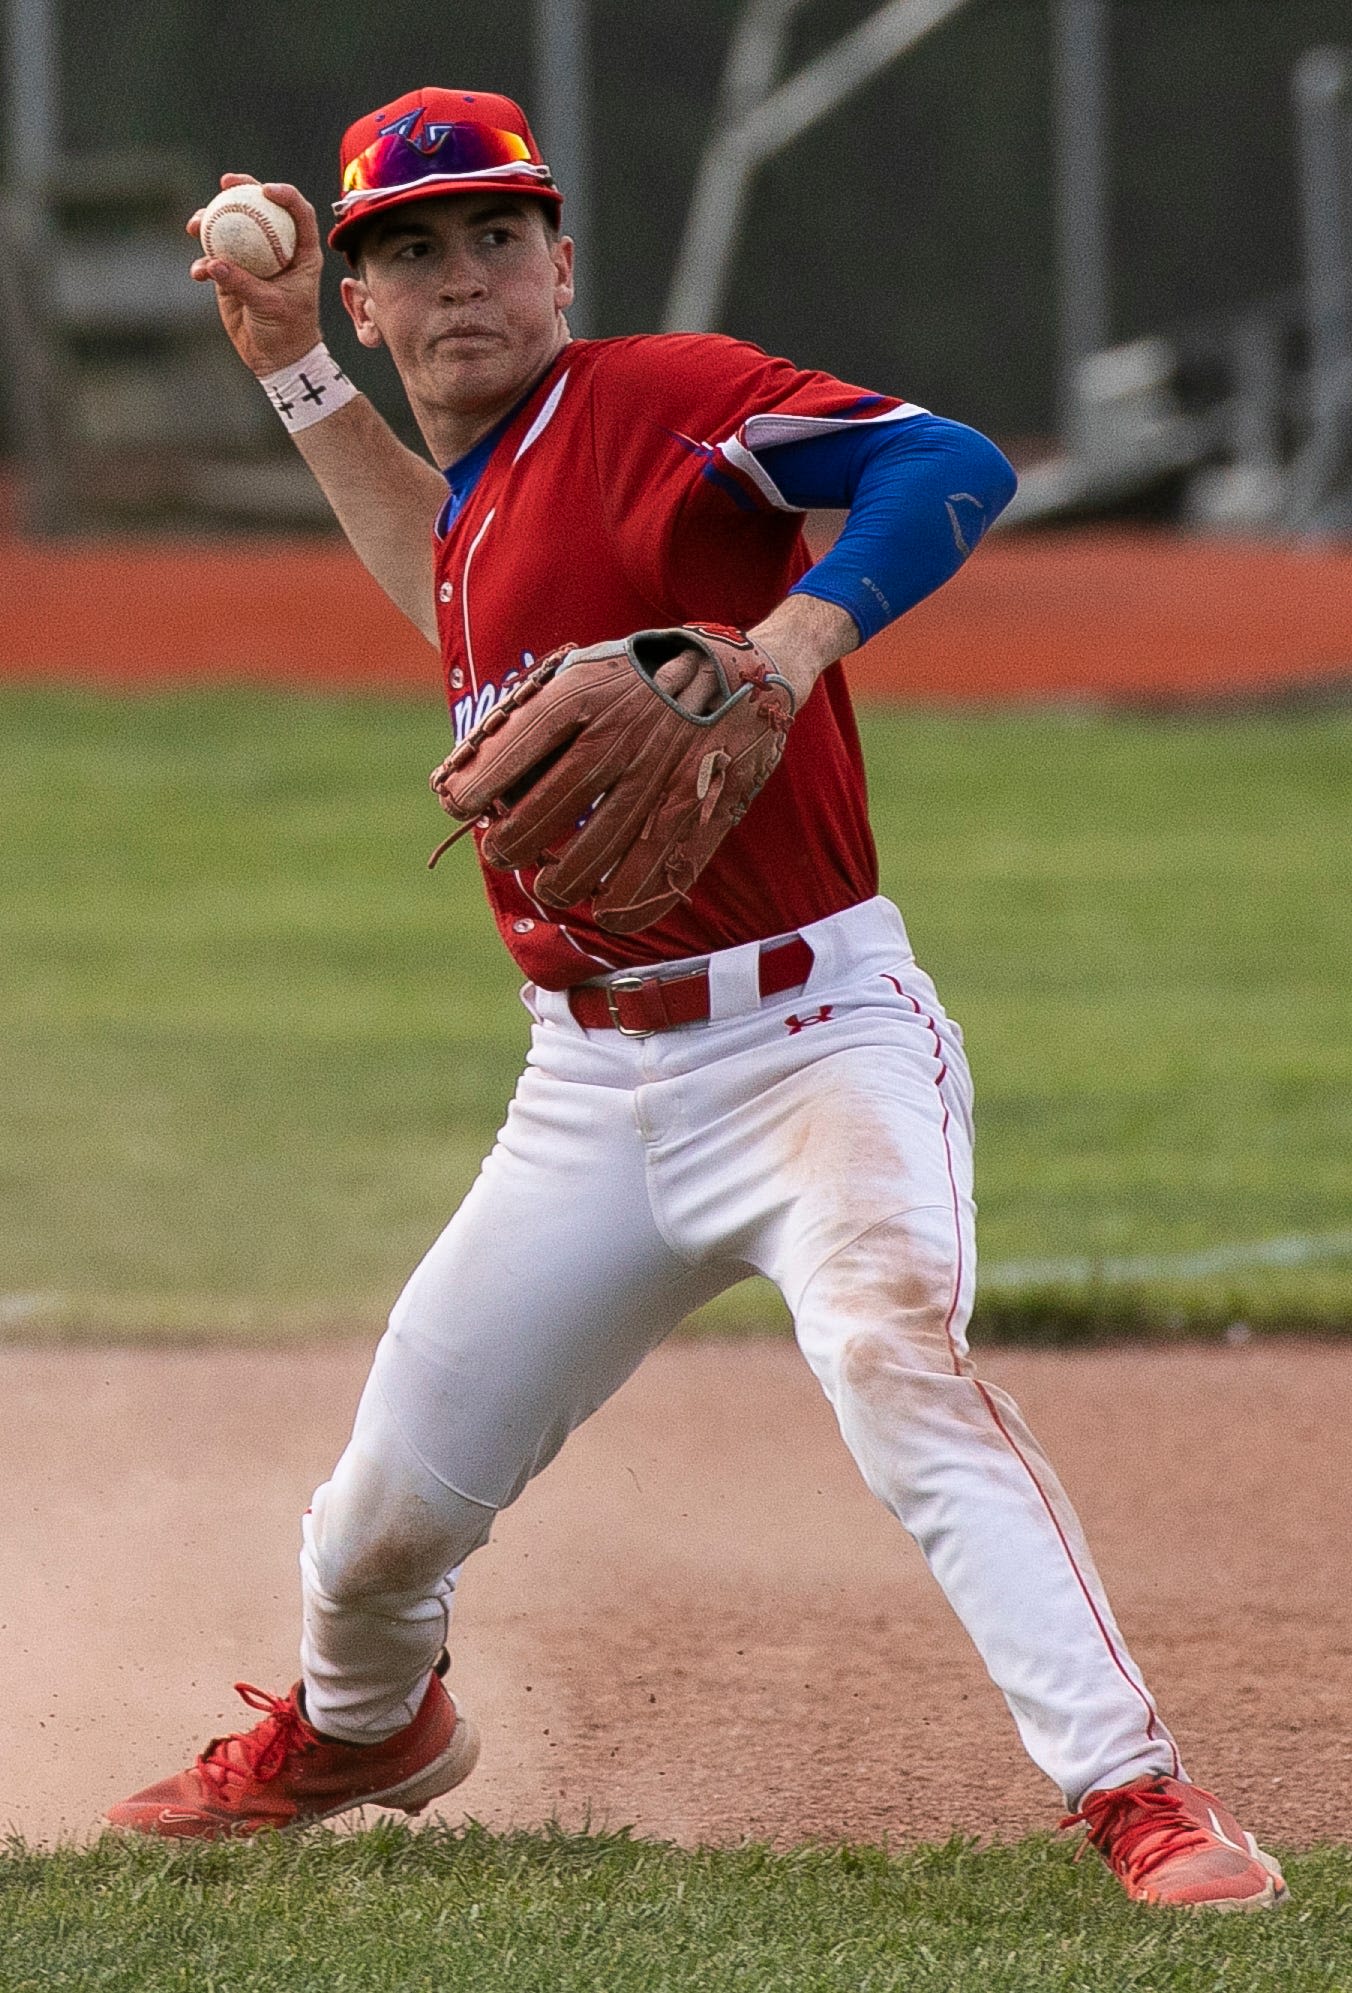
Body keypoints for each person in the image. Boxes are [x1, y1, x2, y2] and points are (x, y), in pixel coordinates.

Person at [107, 88, 1285, 1911]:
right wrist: (291, 382)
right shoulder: (490, 491)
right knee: (369, 1526)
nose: (463, 279)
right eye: (409, 254)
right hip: (584, 1088)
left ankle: (1138, 1791)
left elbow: (952, 460)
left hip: (816, 1044)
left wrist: (790, 644)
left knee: (893, 1354)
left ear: (563, 258)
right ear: (362, 300)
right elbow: (457, 584)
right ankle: (363, 1725)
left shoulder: (659, 398)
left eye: (498, 235)